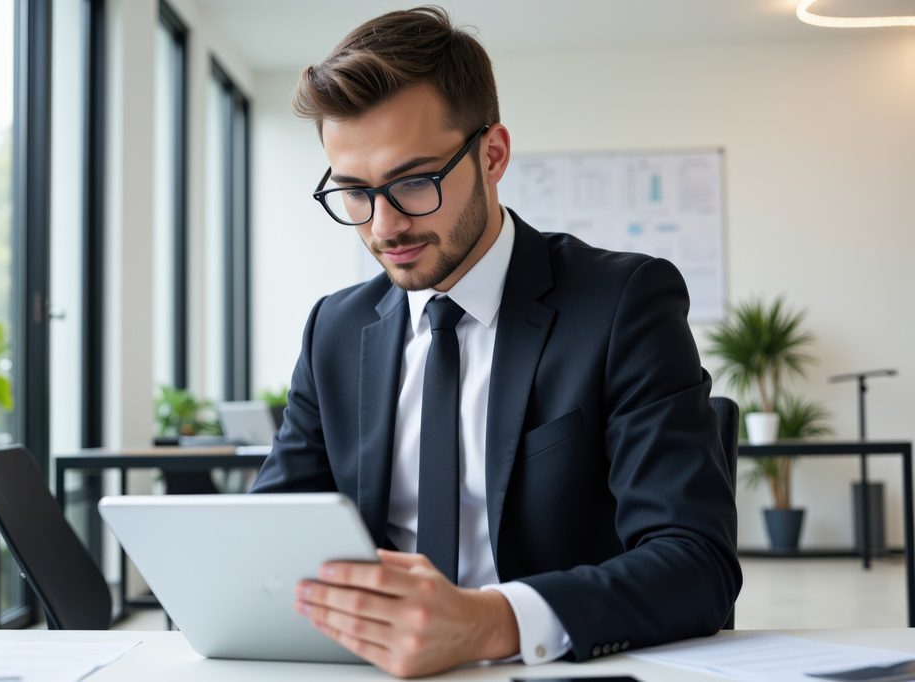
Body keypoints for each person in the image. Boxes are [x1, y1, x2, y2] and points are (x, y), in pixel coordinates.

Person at [251, 6, 741, 678]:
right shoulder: (334, 330)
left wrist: (489, 622)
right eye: (355, 192)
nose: (384, 226)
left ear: (493, 155)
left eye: (414, 181)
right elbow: (268, 545)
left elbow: (697, 562)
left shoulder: (623, 304)